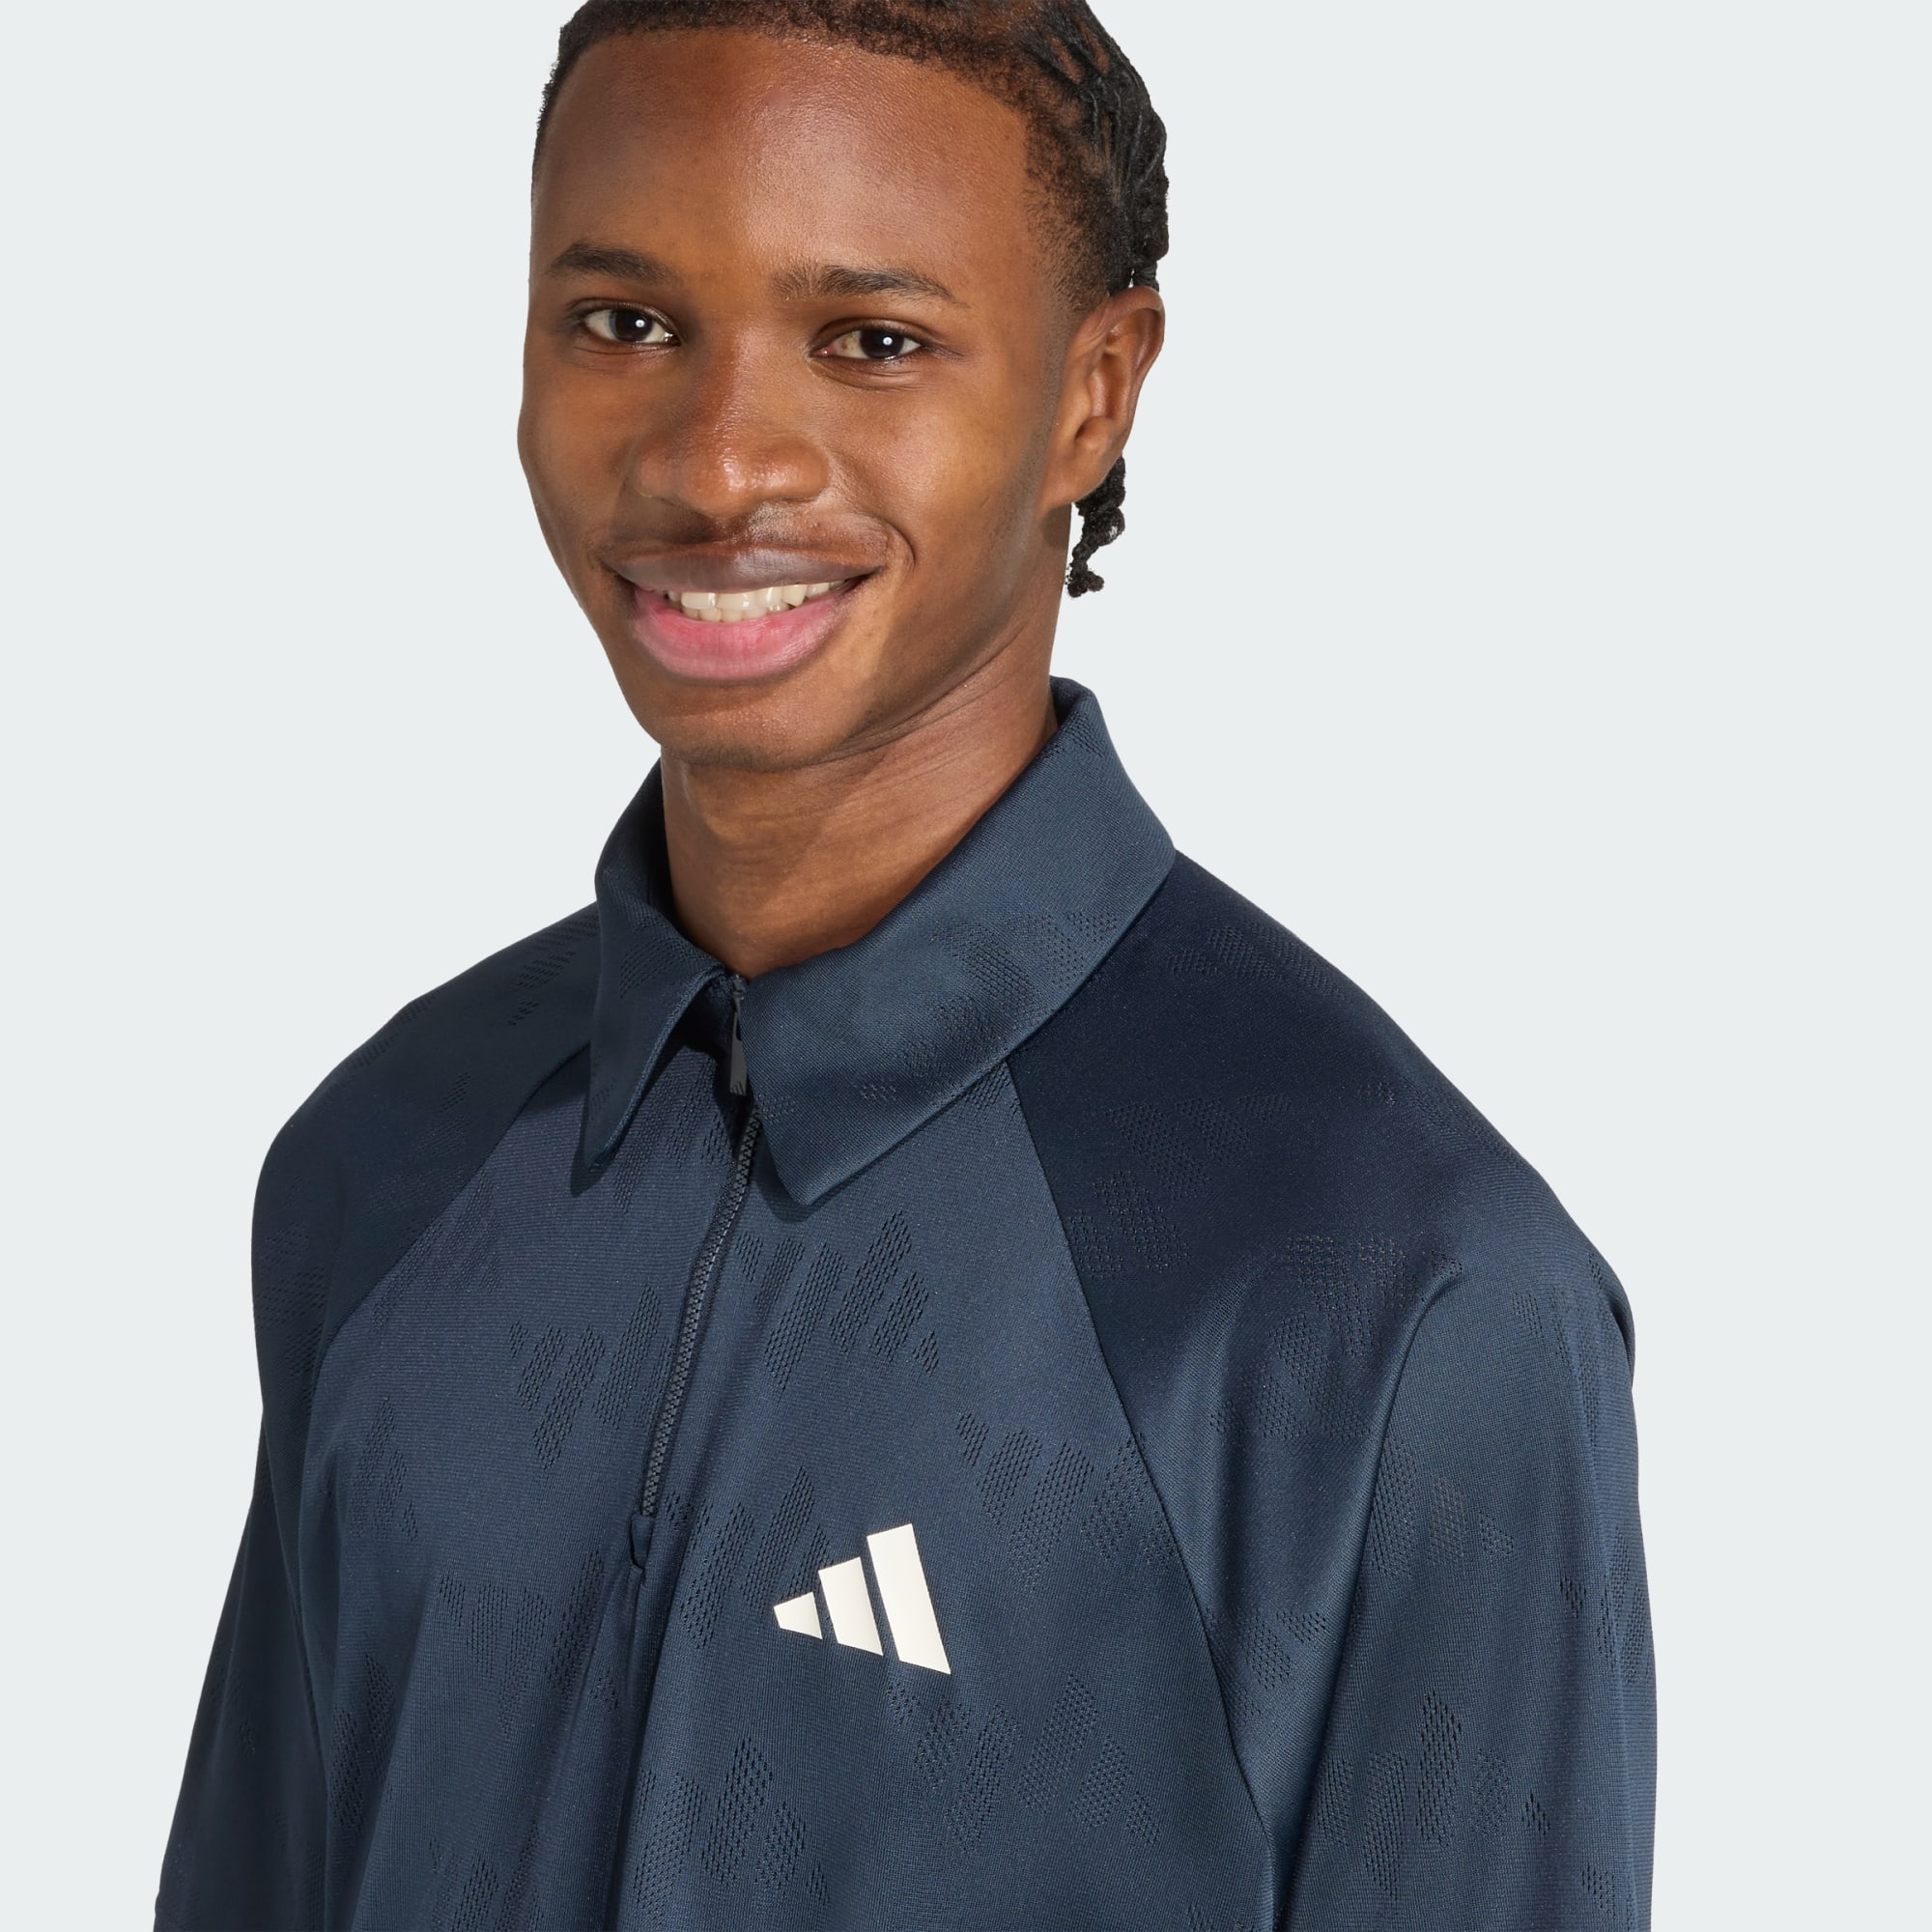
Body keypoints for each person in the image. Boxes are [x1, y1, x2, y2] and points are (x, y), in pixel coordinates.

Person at [157, 4, 1654, 1927]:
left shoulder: (1399, 1293)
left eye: (871, 341)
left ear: (1093, 392)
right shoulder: (385, 1161)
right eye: (624, 320)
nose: (718, 463)